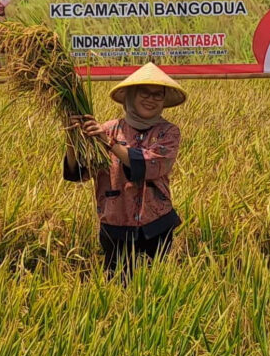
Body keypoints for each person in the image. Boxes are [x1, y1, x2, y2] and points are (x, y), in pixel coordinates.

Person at [63, 63, 187, 280]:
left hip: (156, 226)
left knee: (156, 286)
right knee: (117, 285)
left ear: (164, 101)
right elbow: (79, 173)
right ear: (130, 95)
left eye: (158, 95)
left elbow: (152, 165)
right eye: (144, 93)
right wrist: (72, 139)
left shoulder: (168, 132)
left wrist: (108, 143)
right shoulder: (108, 128)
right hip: (115, 226)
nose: (151, 99)